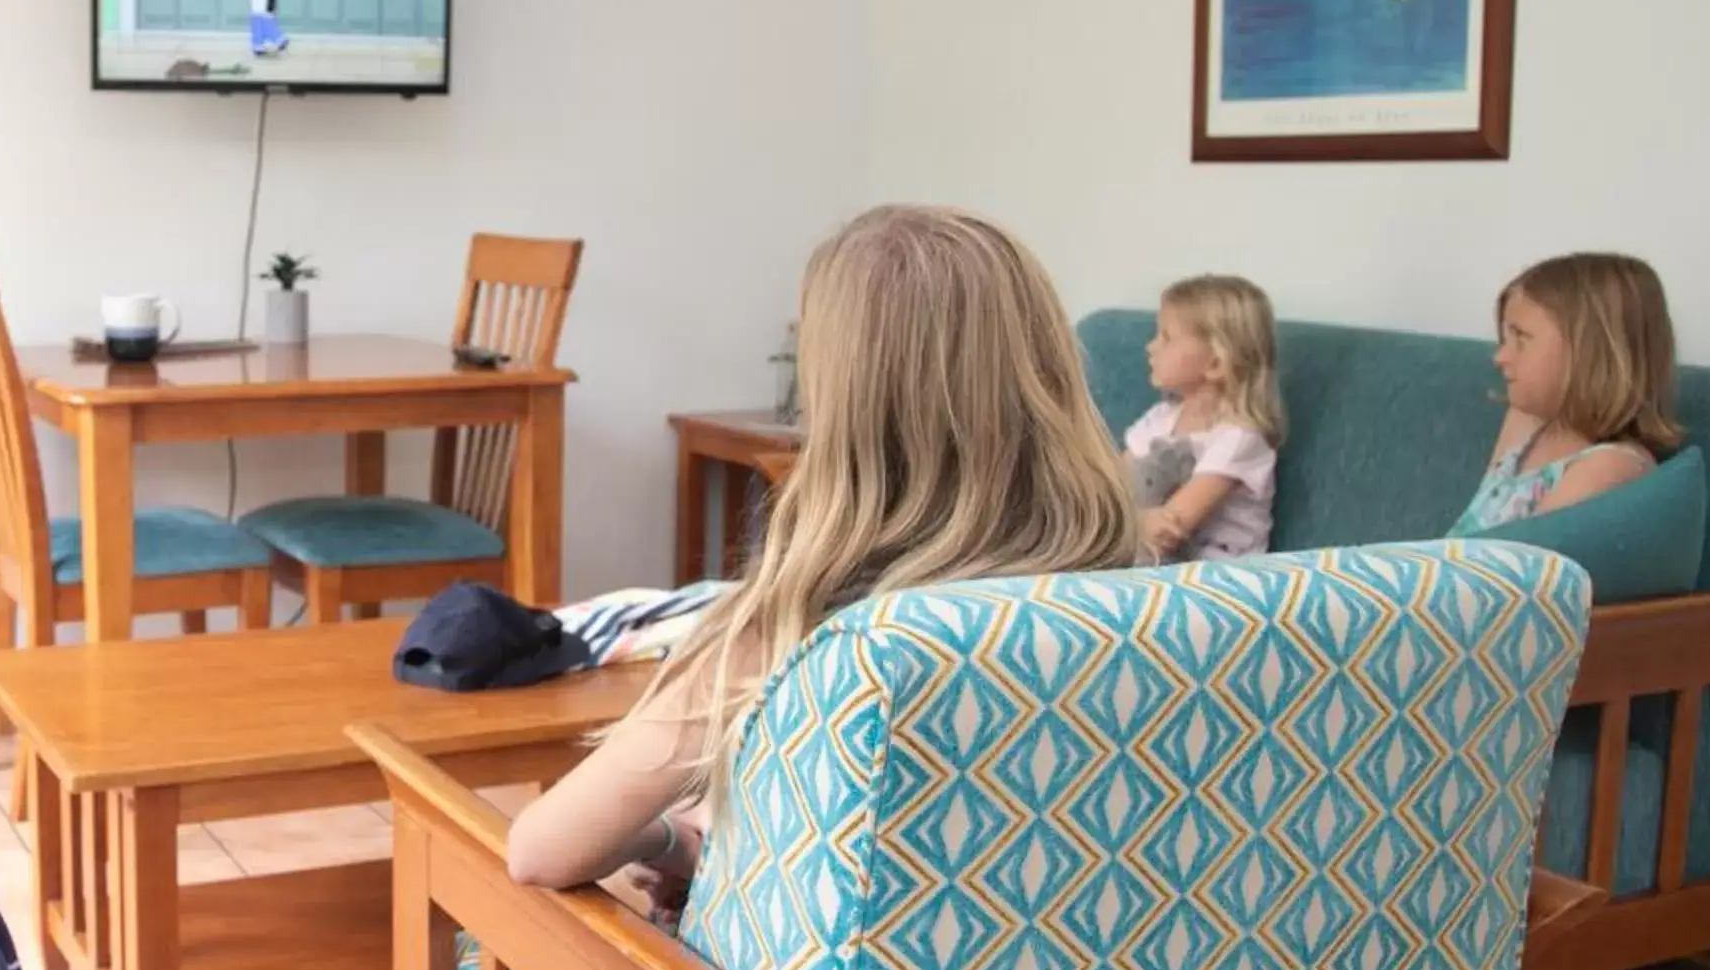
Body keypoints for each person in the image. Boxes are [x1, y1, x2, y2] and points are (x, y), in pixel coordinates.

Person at [505, 206, 1141, 901]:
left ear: (843, 400)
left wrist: (656, 836)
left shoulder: (795, 634)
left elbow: (541, 852)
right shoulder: (1145, 599)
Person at [1454, 252, 1683, 529]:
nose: (1499, 357)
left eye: (1521, 338)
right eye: (1505, 338)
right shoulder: (1529, 421)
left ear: (1589, 354)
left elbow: (1519, 563)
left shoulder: (1611, 467)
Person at [1127, 274, 1285, 561]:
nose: (1151, 347)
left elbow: (1169, 528)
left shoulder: (1240, 440)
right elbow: (1111, 486)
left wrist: (1121, 525)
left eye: (1166, 337)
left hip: (1217, 581)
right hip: (1157, 563)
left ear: (1215, 363)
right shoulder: (1159, 419)